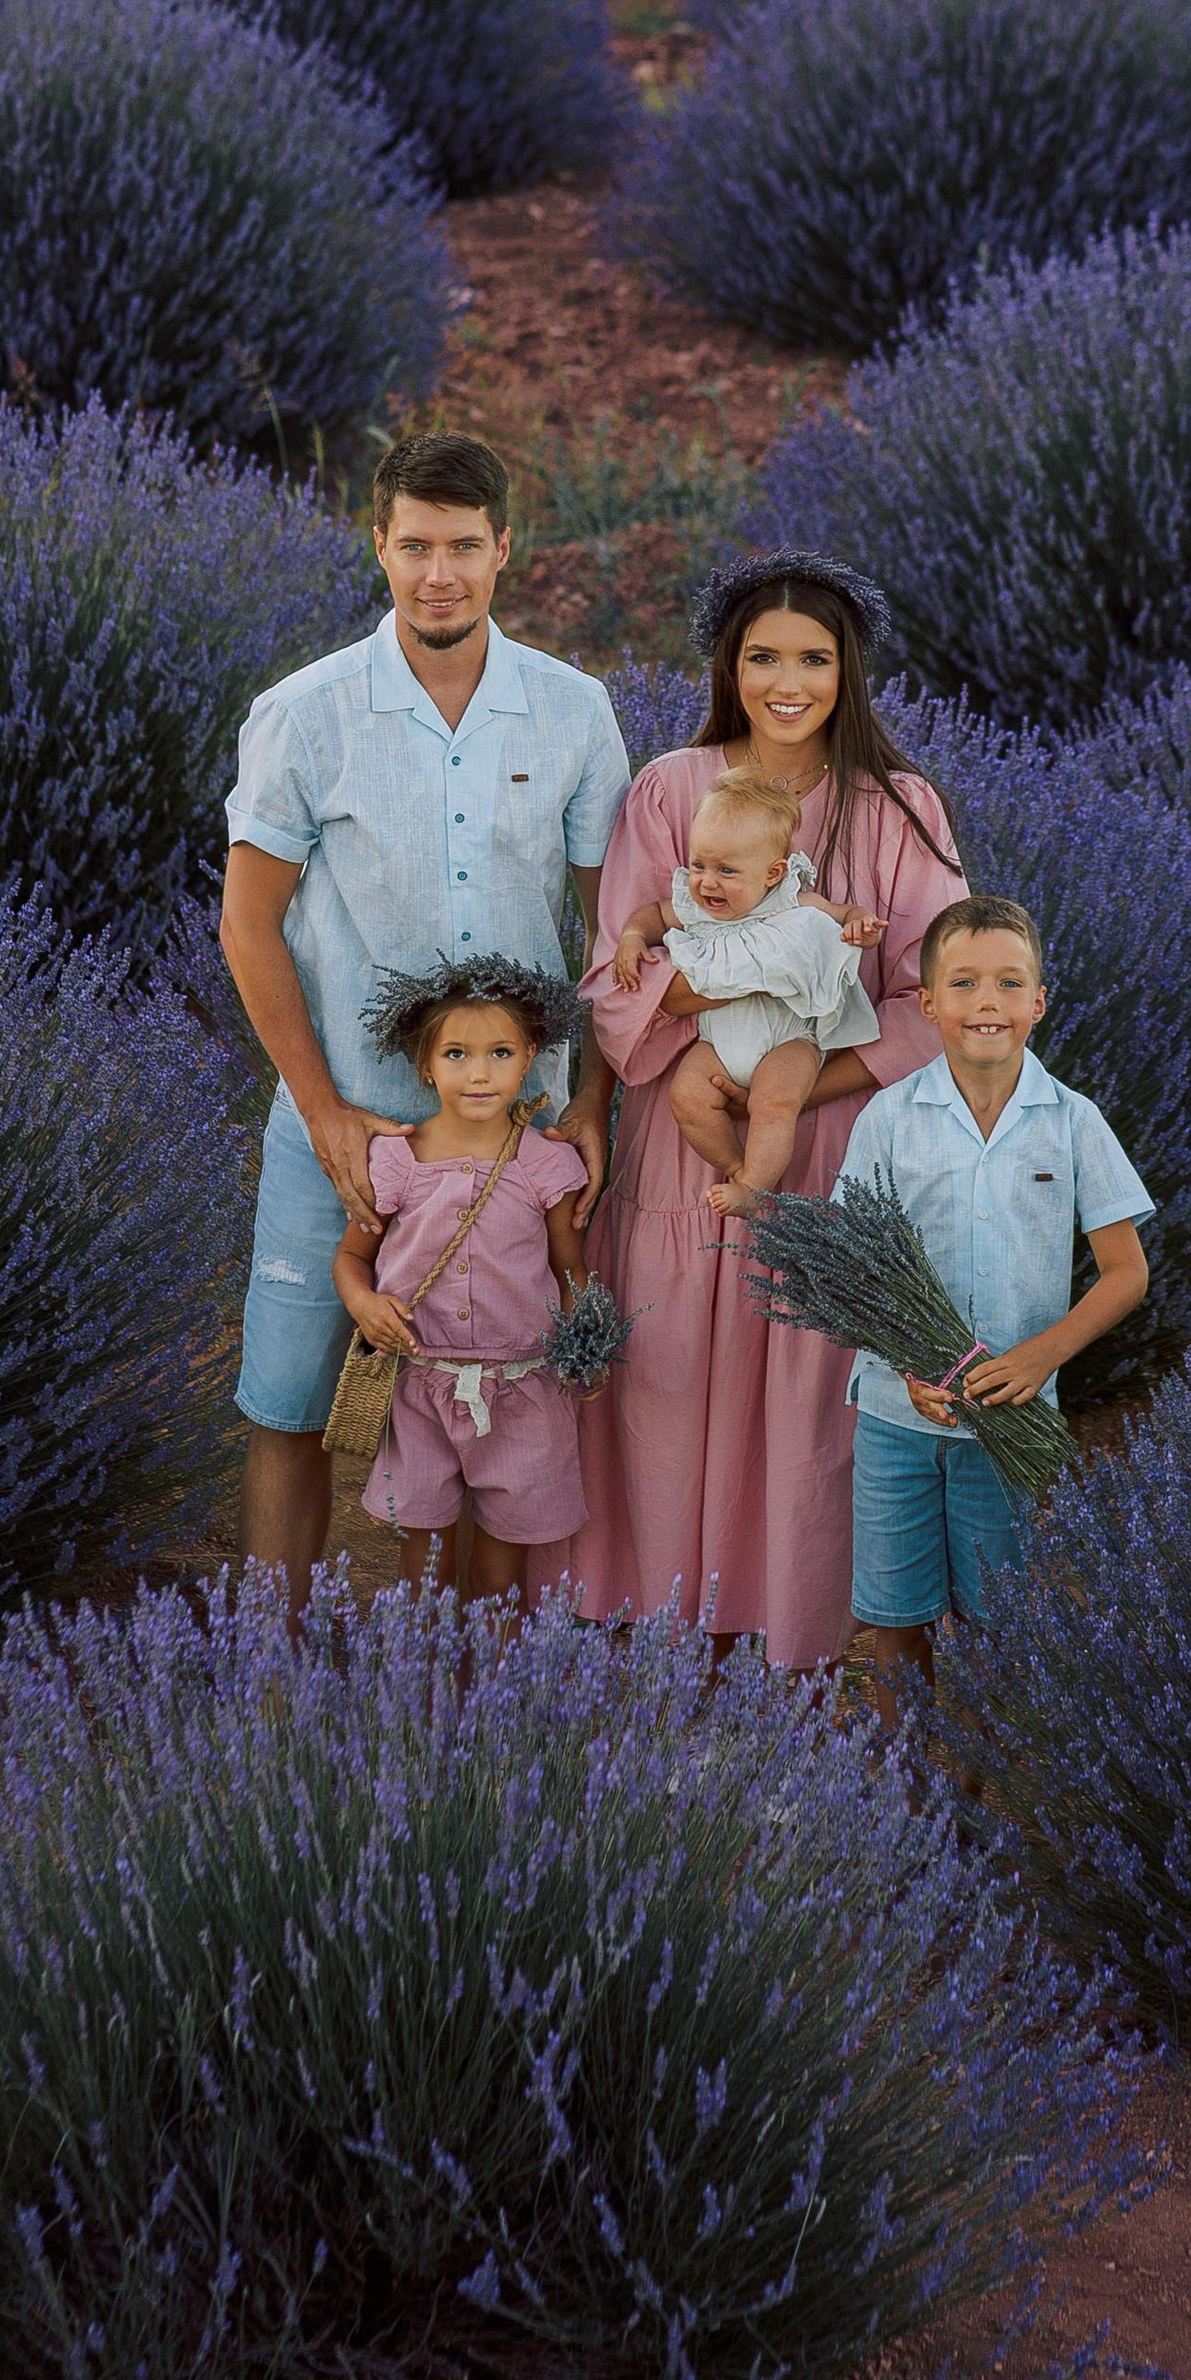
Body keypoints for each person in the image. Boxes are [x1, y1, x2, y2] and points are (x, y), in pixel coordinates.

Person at [219, 430, 630, 1592]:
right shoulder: (305, 714)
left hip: (519, 1142)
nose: (437, 573)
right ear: (379, 547)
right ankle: (275, 1656)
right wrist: (326, 1112)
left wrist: (592, 1099)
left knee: (506, 1402)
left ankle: (470, 1675)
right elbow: (247, 926)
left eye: (462, 546)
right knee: (291, 1401)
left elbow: (615, 935)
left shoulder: (571, 712)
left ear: (506, 549)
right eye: (414, 546)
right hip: (342, 1128)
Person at [574, 550, 967, 1667]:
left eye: (813, 658)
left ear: (849, 672)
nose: (785, 680)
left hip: (827, 1133)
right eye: (761, 657)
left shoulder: (899, 808)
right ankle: (660, 1621)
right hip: (681, 1121)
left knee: (805, 1389)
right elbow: (618, 975)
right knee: (674, 1375)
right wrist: (756, 992)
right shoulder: (669, 788)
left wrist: (794, 1084)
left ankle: (799, 1627)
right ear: (726, 665)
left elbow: (926, 999)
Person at [836, 894, 1152, 1717]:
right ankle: (909, 1796)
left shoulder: (1073, 1122)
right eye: (965, 983)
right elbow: (853, 1265)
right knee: (897, 1619)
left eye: (1010, 984)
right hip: (897, 1415)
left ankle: (971, 1794)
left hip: (1008, 1420)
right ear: (928, 1002)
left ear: (1040, 1002)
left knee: (994, 1616)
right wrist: (905, 1367)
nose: (988, 1003)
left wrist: (1043, 1356)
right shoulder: (889, 1119)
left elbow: (1126, 1273)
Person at [334, 956, 594, 1608]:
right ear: (425, 1063)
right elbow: (351, 1260)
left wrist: (586, 1341)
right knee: (424, 1575)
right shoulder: (395, 1160)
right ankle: (419, 1697)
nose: (479, 1073)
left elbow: (569, 1266)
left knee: (501, 1581)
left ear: (530, 1055)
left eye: (500, 1052)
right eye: (456, 1054)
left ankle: (494, 1697)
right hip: (419, 1391)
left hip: (523, 1389)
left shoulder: (546, 1164)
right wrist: (362, 1303)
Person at [606, 766, 884, 1216]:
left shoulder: (794, 902)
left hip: (789, 1040)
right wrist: (632, 938)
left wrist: (860, 925)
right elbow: (652, 915)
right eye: (699, 865)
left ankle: (756, 1184)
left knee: (775, 1102)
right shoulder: (695, 909)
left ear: (773, 873)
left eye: (727, 871)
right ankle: (737, 1165)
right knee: (687, 1097)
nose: (707, 882)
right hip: (718, 1043)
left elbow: (844, 912)